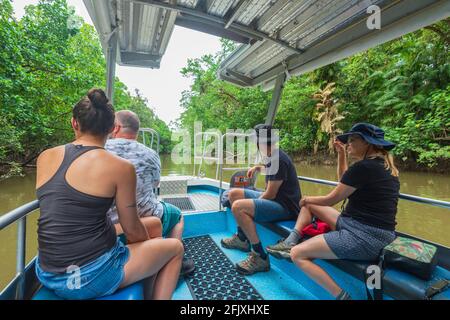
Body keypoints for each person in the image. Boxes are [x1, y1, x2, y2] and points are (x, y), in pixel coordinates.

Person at [35, 89, 183, 300]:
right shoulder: (121, 167)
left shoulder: (45, 157)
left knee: (152, 226)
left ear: (74, 123)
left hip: (46, 271)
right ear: (112, 128)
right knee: (175, 248)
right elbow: (132, 230)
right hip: (90, 276)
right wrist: (148, 245)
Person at [266, 123, 400, 300]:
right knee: (310, 206)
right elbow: (344, 181)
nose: (348, 144)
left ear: (367, 143)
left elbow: (332, 199)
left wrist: (306, 199)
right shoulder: (382, 167)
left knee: (298, 254)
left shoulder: (364, 168)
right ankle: (290, 241)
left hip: (364, 237)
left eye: (353, 140)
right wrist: (341, 154)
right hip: (365, 228)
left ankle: (342, 297)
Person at [105, 110, 195, 276]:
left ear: (115, 128)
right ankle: (174, 259)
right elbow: (156, 183)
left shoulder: (97, 150)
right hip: (146, 220)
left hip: (105, 227)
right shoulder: (150, 154)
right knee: (178, 215)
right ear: (136, 132)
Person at [221, 124, 301, 275]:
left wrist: (254, 203)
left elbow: (270, 194)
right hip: (276, 199)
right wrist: (258, 167)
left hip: (285, 207)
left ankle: (260, 257)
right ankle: (242, 239)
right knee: (233, 194)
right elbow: (271, 172)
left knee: (238, 206)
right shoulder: (272, 157)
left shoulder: (279, 159)